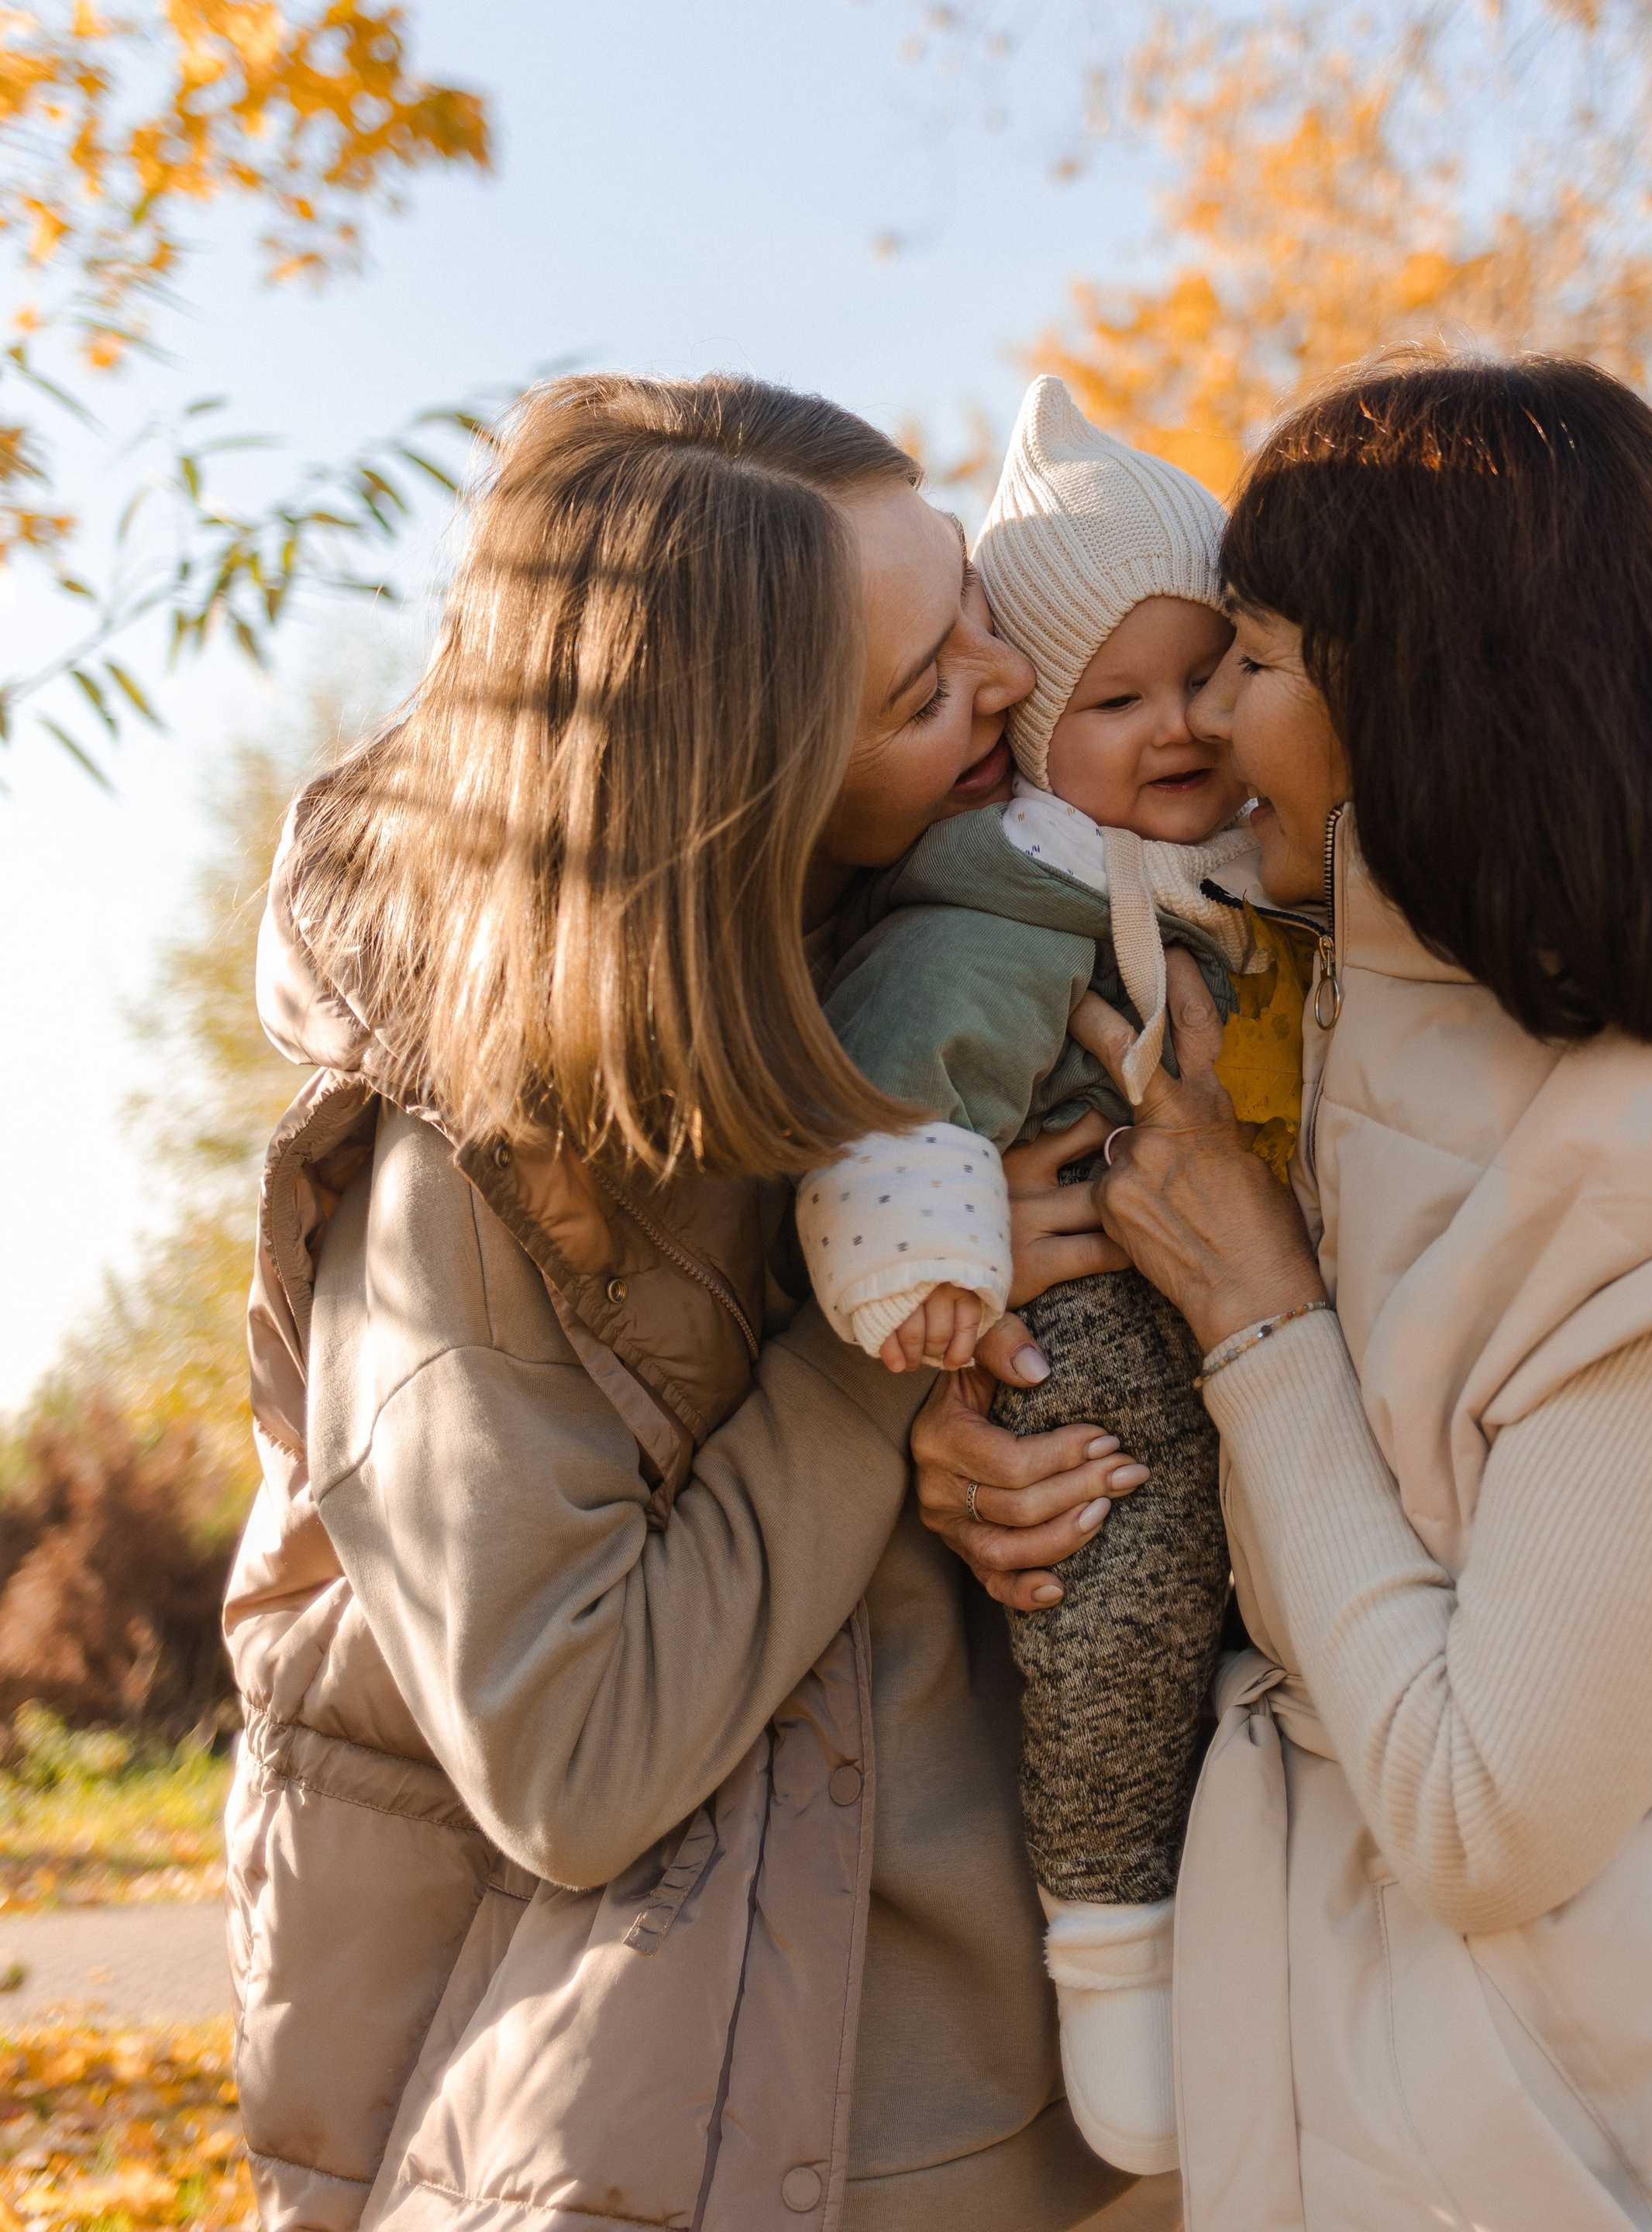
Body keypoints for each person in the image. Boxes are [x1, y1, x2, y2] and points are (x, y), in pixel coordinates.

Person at [1039, 355, 1652, 2227]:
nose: (1210, 727)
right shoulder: (1380, 998)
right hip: (1388, 2051)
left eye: (1253, 659)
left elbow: (1488, 1812)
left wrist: (1252, 1314)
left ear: (1429, 689)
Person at [223, 370, 1173, 2232]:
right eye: (922, 691)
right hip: (770, 2143)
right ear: (742, 790)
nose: (1003, 682)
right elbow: (569, 1757)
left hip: (1094, 2112)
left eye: (968, 599)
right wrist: (871, 1375)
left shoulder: (935, 961)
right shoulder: (459, 1184)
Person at [793, 379, 1313, 2175]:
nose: (1172, 727)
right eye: (1112, 698)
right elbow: (901, 1081)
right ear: (1025, 734)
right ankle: (1111, 1949)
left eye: (1204, 676)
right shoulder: (1009, 898)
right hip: (1085, 1328)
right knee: (1116, 1576)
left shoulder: (1271, 877)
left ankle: (1235, 1947)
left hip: (1253, 1327)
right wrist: (934, 1252)